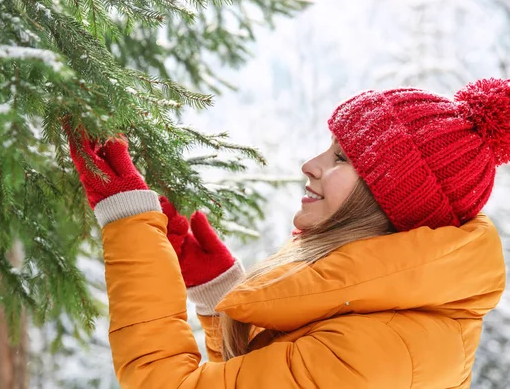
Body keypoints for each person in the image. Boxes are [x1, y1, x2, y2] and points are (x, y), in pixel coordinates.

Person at [65, 77, 509, 388]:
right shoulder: (390, 325)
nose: (311, 165)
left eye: (341, 158)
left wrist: (127, 219)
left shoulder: (375, 353)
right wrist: (221, 297)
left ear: (388, 197)